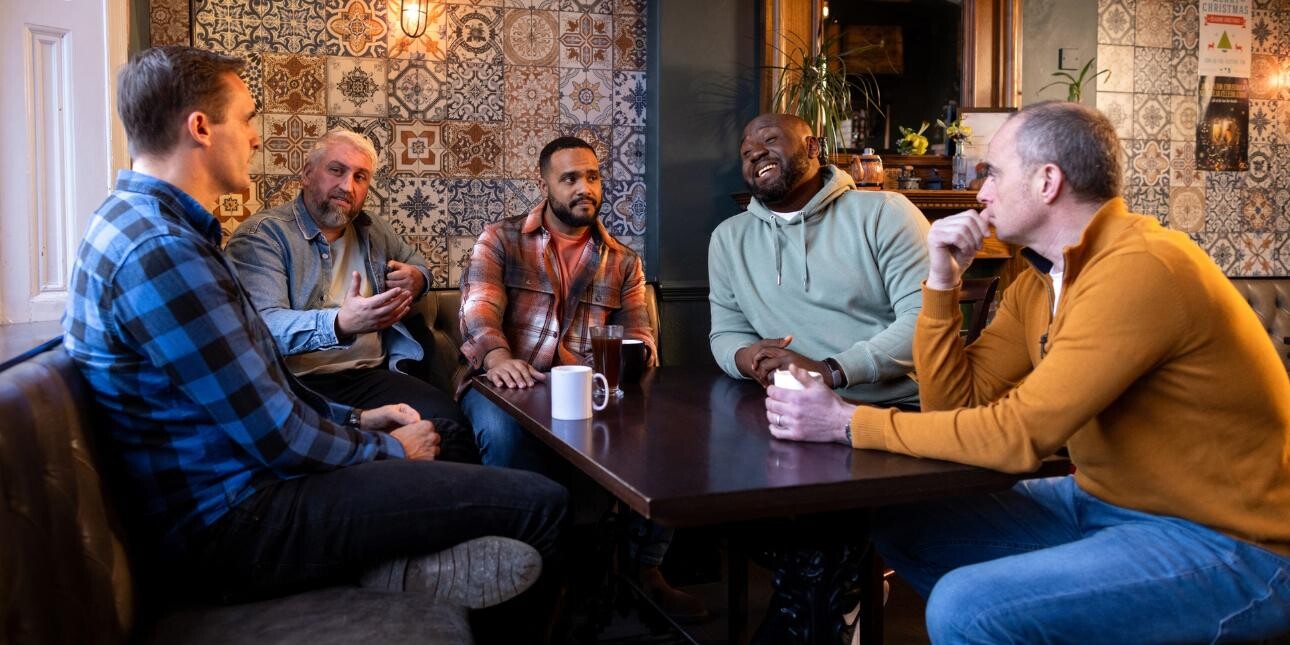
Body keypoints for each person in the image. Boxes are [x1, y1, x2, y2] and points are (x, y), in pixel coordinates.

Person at [62, 46, 566, 622]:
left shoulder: (146, 226)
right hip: (236, 520)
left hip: (249, 481)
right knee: (542, 504)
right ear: (200, 127)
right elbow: (275, 432)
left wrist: (359, 420)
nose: (256, 139)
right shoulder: (163, 251)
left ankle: (393, 567)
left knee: (443, 430)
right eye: (248, 119)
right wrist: (387, 449)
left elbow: (258, 389)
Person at [766, 101, 1290, 642]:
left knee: (969, 610)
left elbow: (1014, 438)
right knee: (904, 520)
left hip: (1234, 545)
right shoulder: (1040, 282)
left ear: (1047, 181)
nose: (981, 191)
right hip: (1107, 506)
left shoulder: (1141, 268)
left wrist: (847, 422)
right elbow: (954, 407)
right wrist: (942, 283)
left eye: (992, 172)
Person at [458, 136, 702, 619]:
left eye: (591, 177)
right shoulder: (501, 239)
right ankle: (527, 581)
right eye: (569, 178)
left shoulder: (623, 261)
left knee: (670, 437)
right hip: (506, 384)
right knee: (507, 438)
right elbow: (478, 310)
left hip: (588, 388)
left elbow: (641, 339)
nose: (583, 187)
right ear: (544, 183)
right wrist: (498, 356)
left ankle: (645, 570)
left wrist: (628, 363)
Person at [226, 129, 476, 463]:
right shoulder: (263, 237)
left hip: (369, 375)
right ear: (306, 174)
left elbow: (418, 263)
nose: (348, 186)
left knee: (447, 424)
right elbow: (264, 327)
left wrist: (417, 279)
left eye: (360, 176)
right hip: (298, 384)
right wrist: (341, 323)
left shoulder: (373, 229)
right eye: (336, 170)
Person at [709, 113, 930, 406]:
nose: (756, 153)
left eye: (771, 139)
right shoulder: (728, 238)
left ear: (812, 147)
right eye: (746, 153)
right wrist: (749, 357)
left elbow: (925, 321)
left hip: (895, 407)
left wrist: (831, 371)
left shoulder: (884, 213)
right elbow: (727, 331)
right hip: (793, 406)